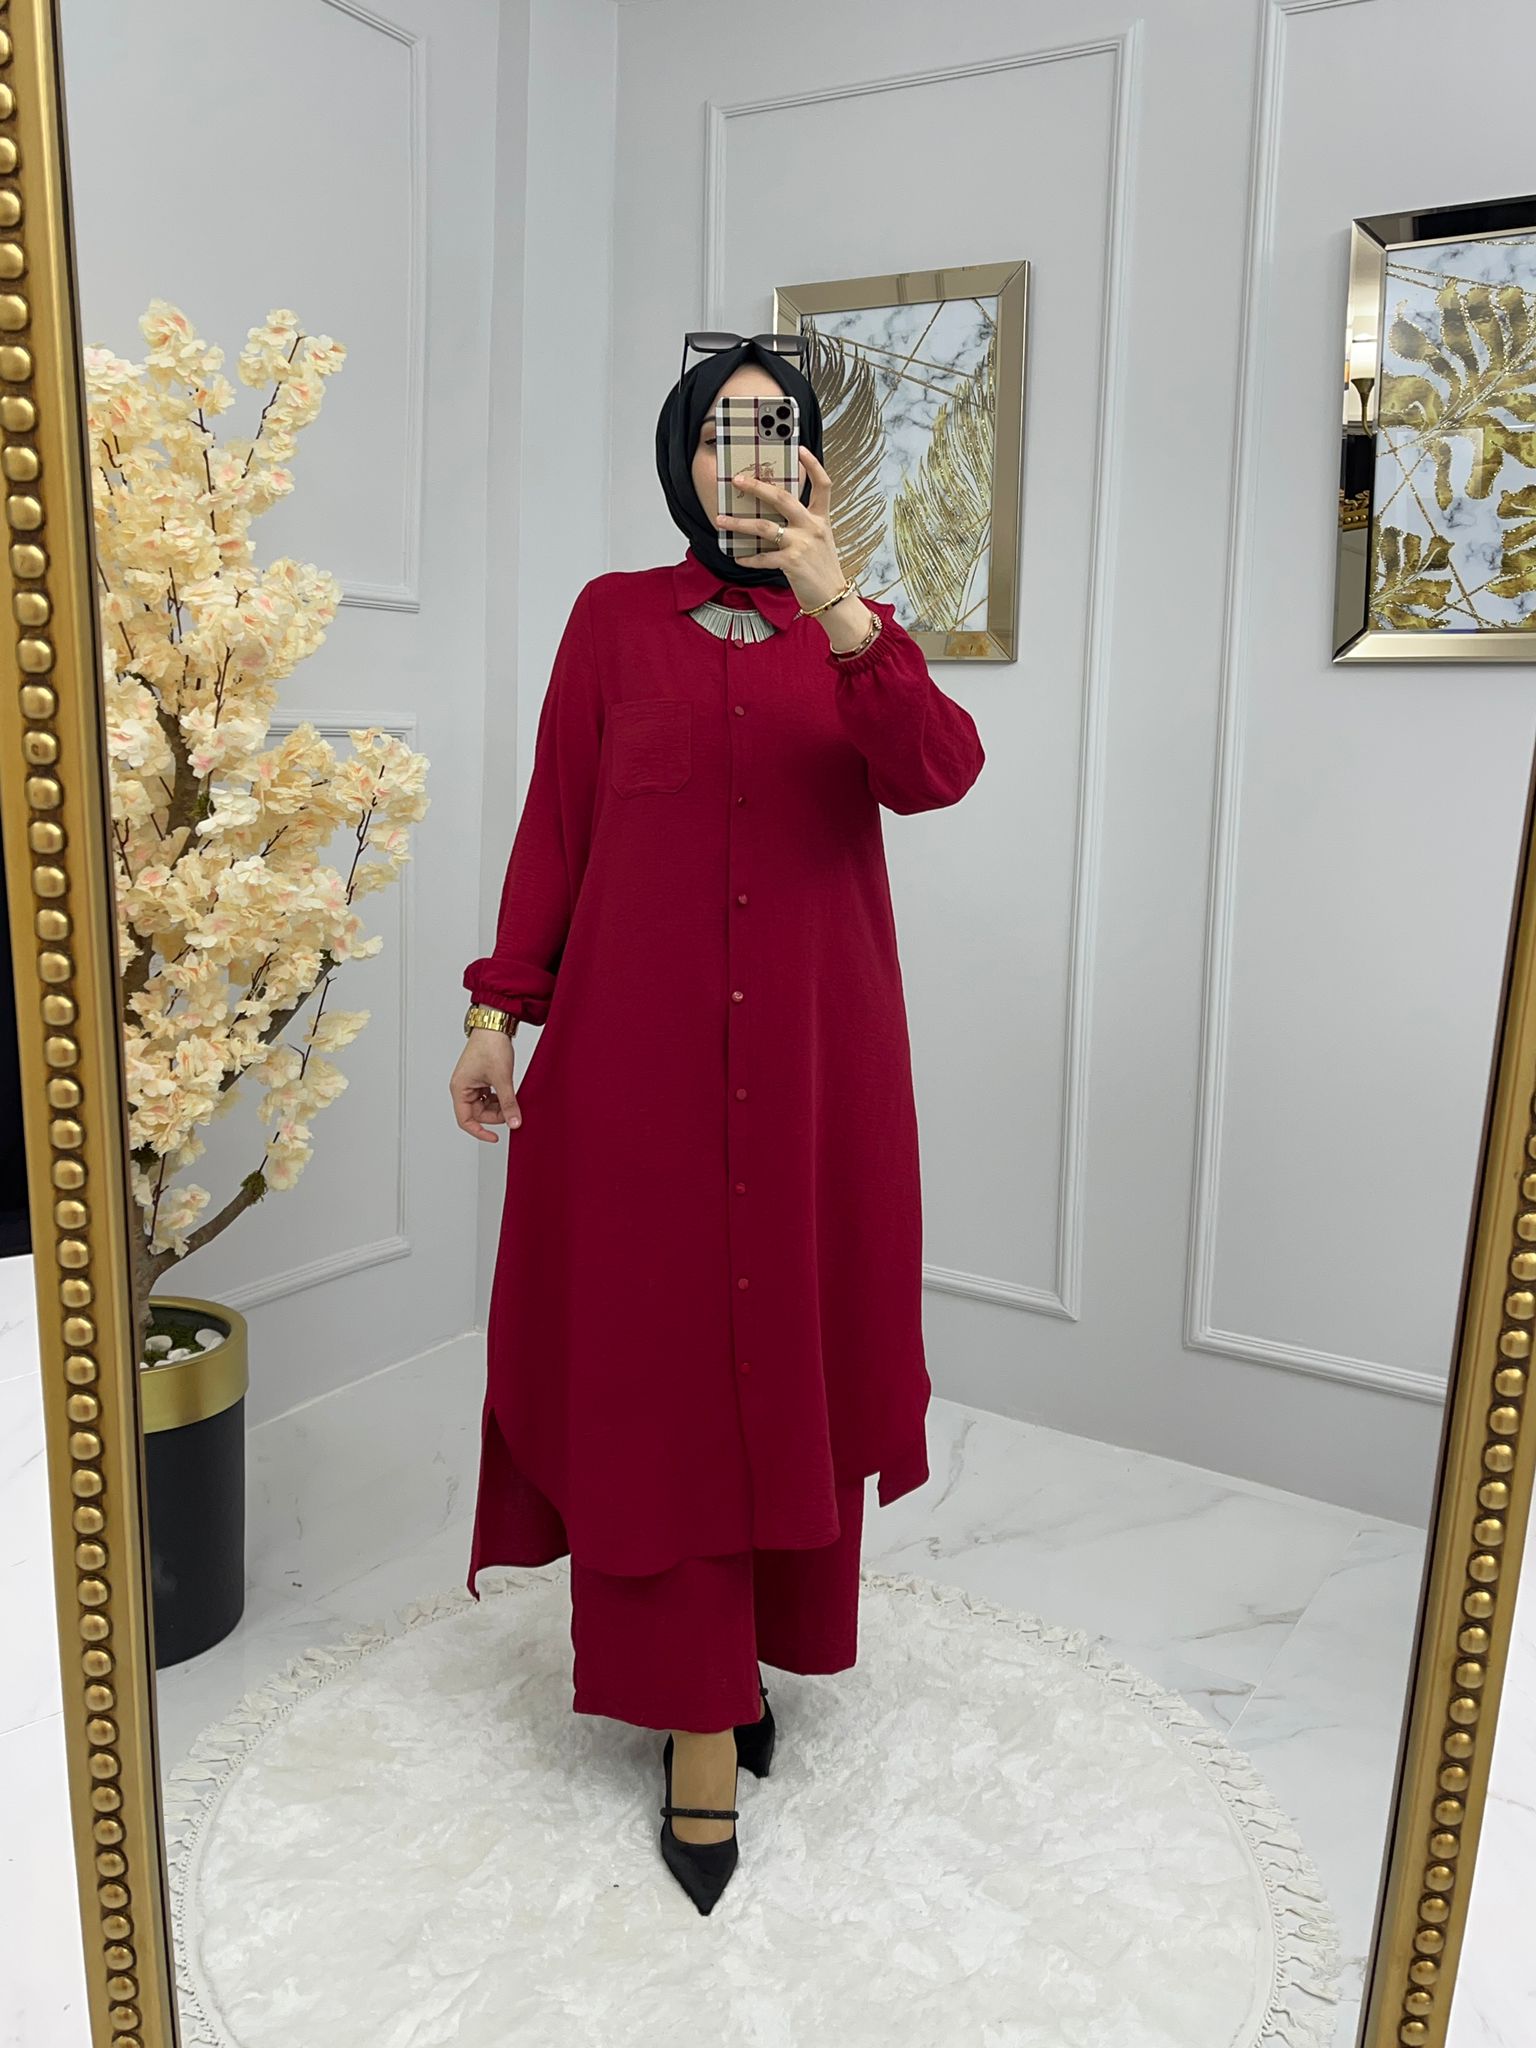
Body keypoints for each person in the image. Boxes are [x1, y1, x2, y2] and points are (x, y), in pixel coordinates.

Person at [448, 332, 985, 1913]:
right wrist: (497, 1011)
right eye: (718, 432)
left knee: (790, 1348)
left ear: (811, 459)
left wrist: (840, 603)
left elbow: (938, 774)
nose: (746, 457)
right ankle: (692, 1710)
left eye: (776, 428)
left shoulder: (859, 633)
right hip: (636, 1077)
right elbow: (559, 827)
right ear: (678, 458)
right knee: (659, 1371)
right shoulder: (611, 622)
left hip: (817, 1072)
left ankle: (748, 1658)